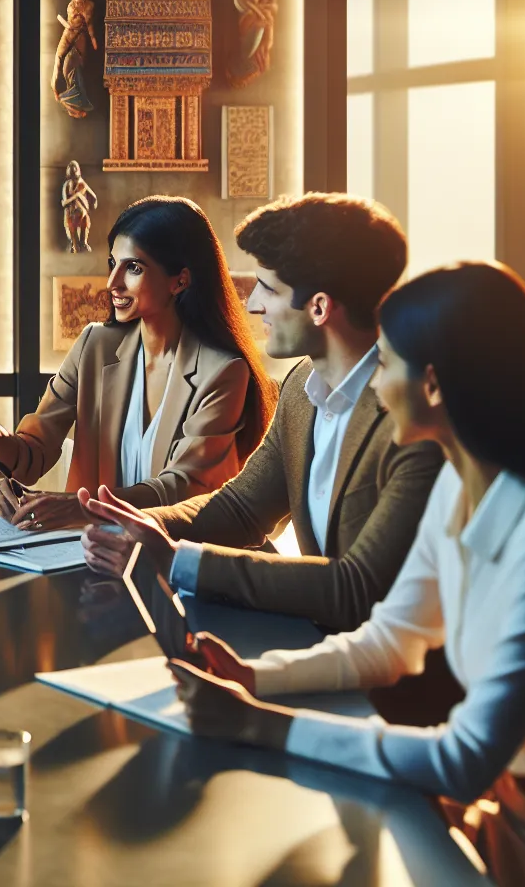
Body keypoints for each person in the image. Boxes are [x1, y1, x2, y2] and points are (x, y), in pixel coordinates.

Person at [161, 262, 525, 882]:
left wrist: (262, 725)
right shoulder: (455, 488)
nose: (374, 384)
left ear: (434, 385)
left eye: (386, 364)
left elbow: (465, 759)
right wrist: (256, 676)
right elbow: (390, 642)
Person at [82, 193, 445, 634]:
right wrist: (135, 525)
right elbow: (242, 508)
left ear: (319, 307)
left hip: (389, 664)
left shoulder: (414, 419)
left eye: (268, 289)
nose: (252, 304)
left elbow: (355, 588)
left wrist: (177, 561)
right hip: (319, 643)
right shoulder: (300, 387)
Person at [0, 196, 275, 530]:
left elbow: (184, 487)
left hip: (174, 556)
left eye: (133, 268)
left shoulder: (223, 371)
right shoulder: (94, 346)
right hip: (86, 555)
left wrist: (82, 508)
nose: (112, 282)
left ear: (180, 281)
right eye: (113, 263)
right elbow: (32, 454)